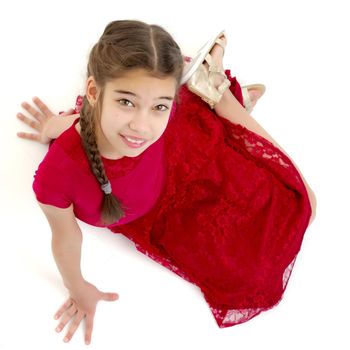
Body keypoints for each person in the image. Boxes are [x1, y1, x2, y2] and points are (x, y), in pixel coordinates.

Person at [16, 20, 316, 345]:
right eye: (126, 102)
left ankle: (220, 94)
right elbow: (65, 238)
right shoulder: (58, 175)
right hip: (162, 215)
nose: (141, 126)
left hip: (180, 154)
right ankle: (216, 89)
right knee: (249, 279)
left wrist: (156, 108)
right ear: (93, 92)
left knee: (303, 201)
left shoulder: (160, 120)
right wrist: (78, 287)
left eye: (159, 105)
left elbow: (125, 117)